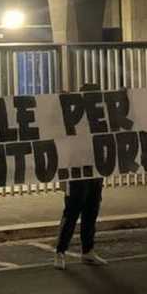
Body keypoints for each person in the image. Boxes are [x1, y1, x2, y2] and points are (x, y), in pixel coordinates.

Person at [54, 84, 105, 269]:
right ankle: (60, 251)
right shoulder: (72, 115)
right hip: (76, 170)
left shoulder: (100, 116)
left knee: (92, 211)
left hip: (95, 170)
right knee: (72, 211)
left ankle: (87, 251)